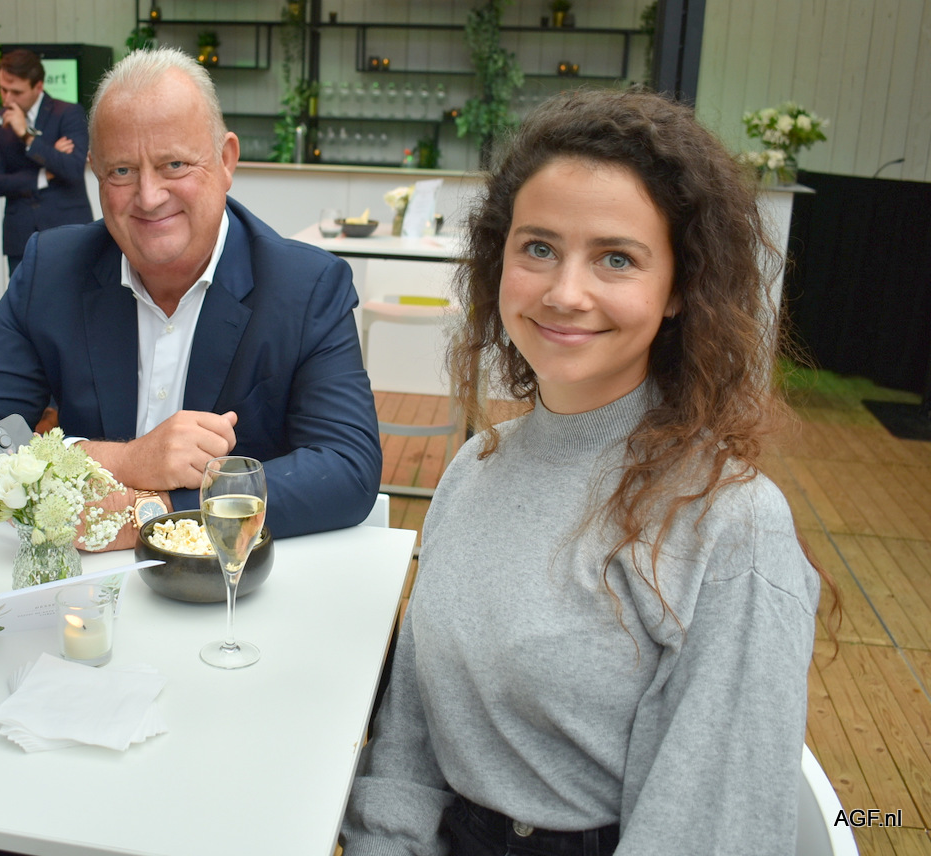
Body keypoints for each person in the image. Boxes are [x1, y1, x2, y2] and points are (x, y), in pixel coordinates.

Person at [342, 88, 835, 855]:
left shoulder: (731, 525)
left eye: (616, 259)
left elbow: (705, 834)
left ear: (680, 289)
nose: (565, 293)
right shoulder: (474, 469)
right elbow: (411, 733)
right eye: (539, 248)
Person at [0, 46, 381, 544]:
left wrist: (154, 513)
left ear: (226, 160)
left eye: (174, 164)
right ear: (95, 172)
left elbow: (348, 470)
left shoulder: (305, 287)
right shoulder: (52, 270)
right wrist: (125, 460)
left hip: (232, 580)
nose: (149, 197)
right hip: (79, 583)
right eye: (122, 171)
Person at [0, 49, 94, 275]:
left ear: (38, 87)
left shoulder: (68, 113)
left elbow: (73, 168)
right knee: (23, 297)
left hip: (67, 232)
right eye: (3, 90)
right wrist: (42, 175)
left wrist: (28, 137)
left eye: (17, 92)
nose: (7, 99)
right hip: (20, 237)